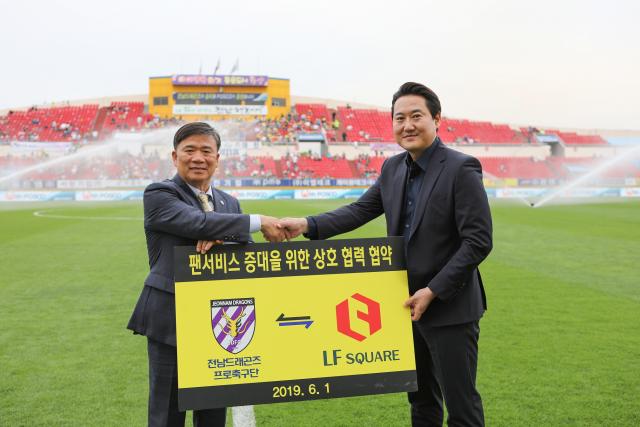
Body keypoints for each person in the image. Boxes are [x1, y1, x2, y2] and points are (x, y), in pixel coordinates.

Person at [281, 82, 492, 426]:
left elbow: (478, 241)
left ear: (437, 119)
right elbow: (360, 210)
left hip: (449, 307)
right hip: (405, 305)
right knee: (421, 402)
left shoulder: (461, 168)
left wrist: (433, 290)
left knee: (461, 407)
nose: (407, 125)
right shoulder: (392, 168)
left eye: (416, 116)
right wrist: (307, 224)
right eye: (399, 118)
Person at [127, 122, 285, 427]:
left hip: (222, 322)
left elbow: (245, 251)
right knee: (166, 414)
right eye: (189, 150)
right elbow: (197, 223)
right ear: (175, 156)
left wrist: (222, 237)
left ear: (217, 158)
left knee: (213, 413)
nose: (198, 158)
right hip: (171, 320)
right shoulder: (160, 193)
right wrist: (251, 222)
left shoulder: (229, 202)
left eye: (206, 151)